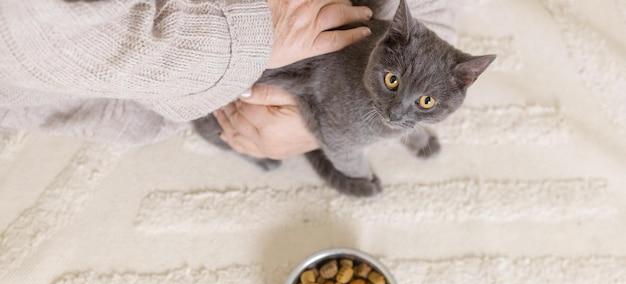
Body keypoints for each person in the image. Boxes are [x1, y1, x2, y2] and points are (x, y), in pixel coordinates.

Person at [0, 0, 459, 156]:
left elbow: (421, 24)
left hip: (331, 57)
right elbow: (33, 34)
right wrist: (240, 42)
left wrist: (327, 122)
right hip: (137, 78)